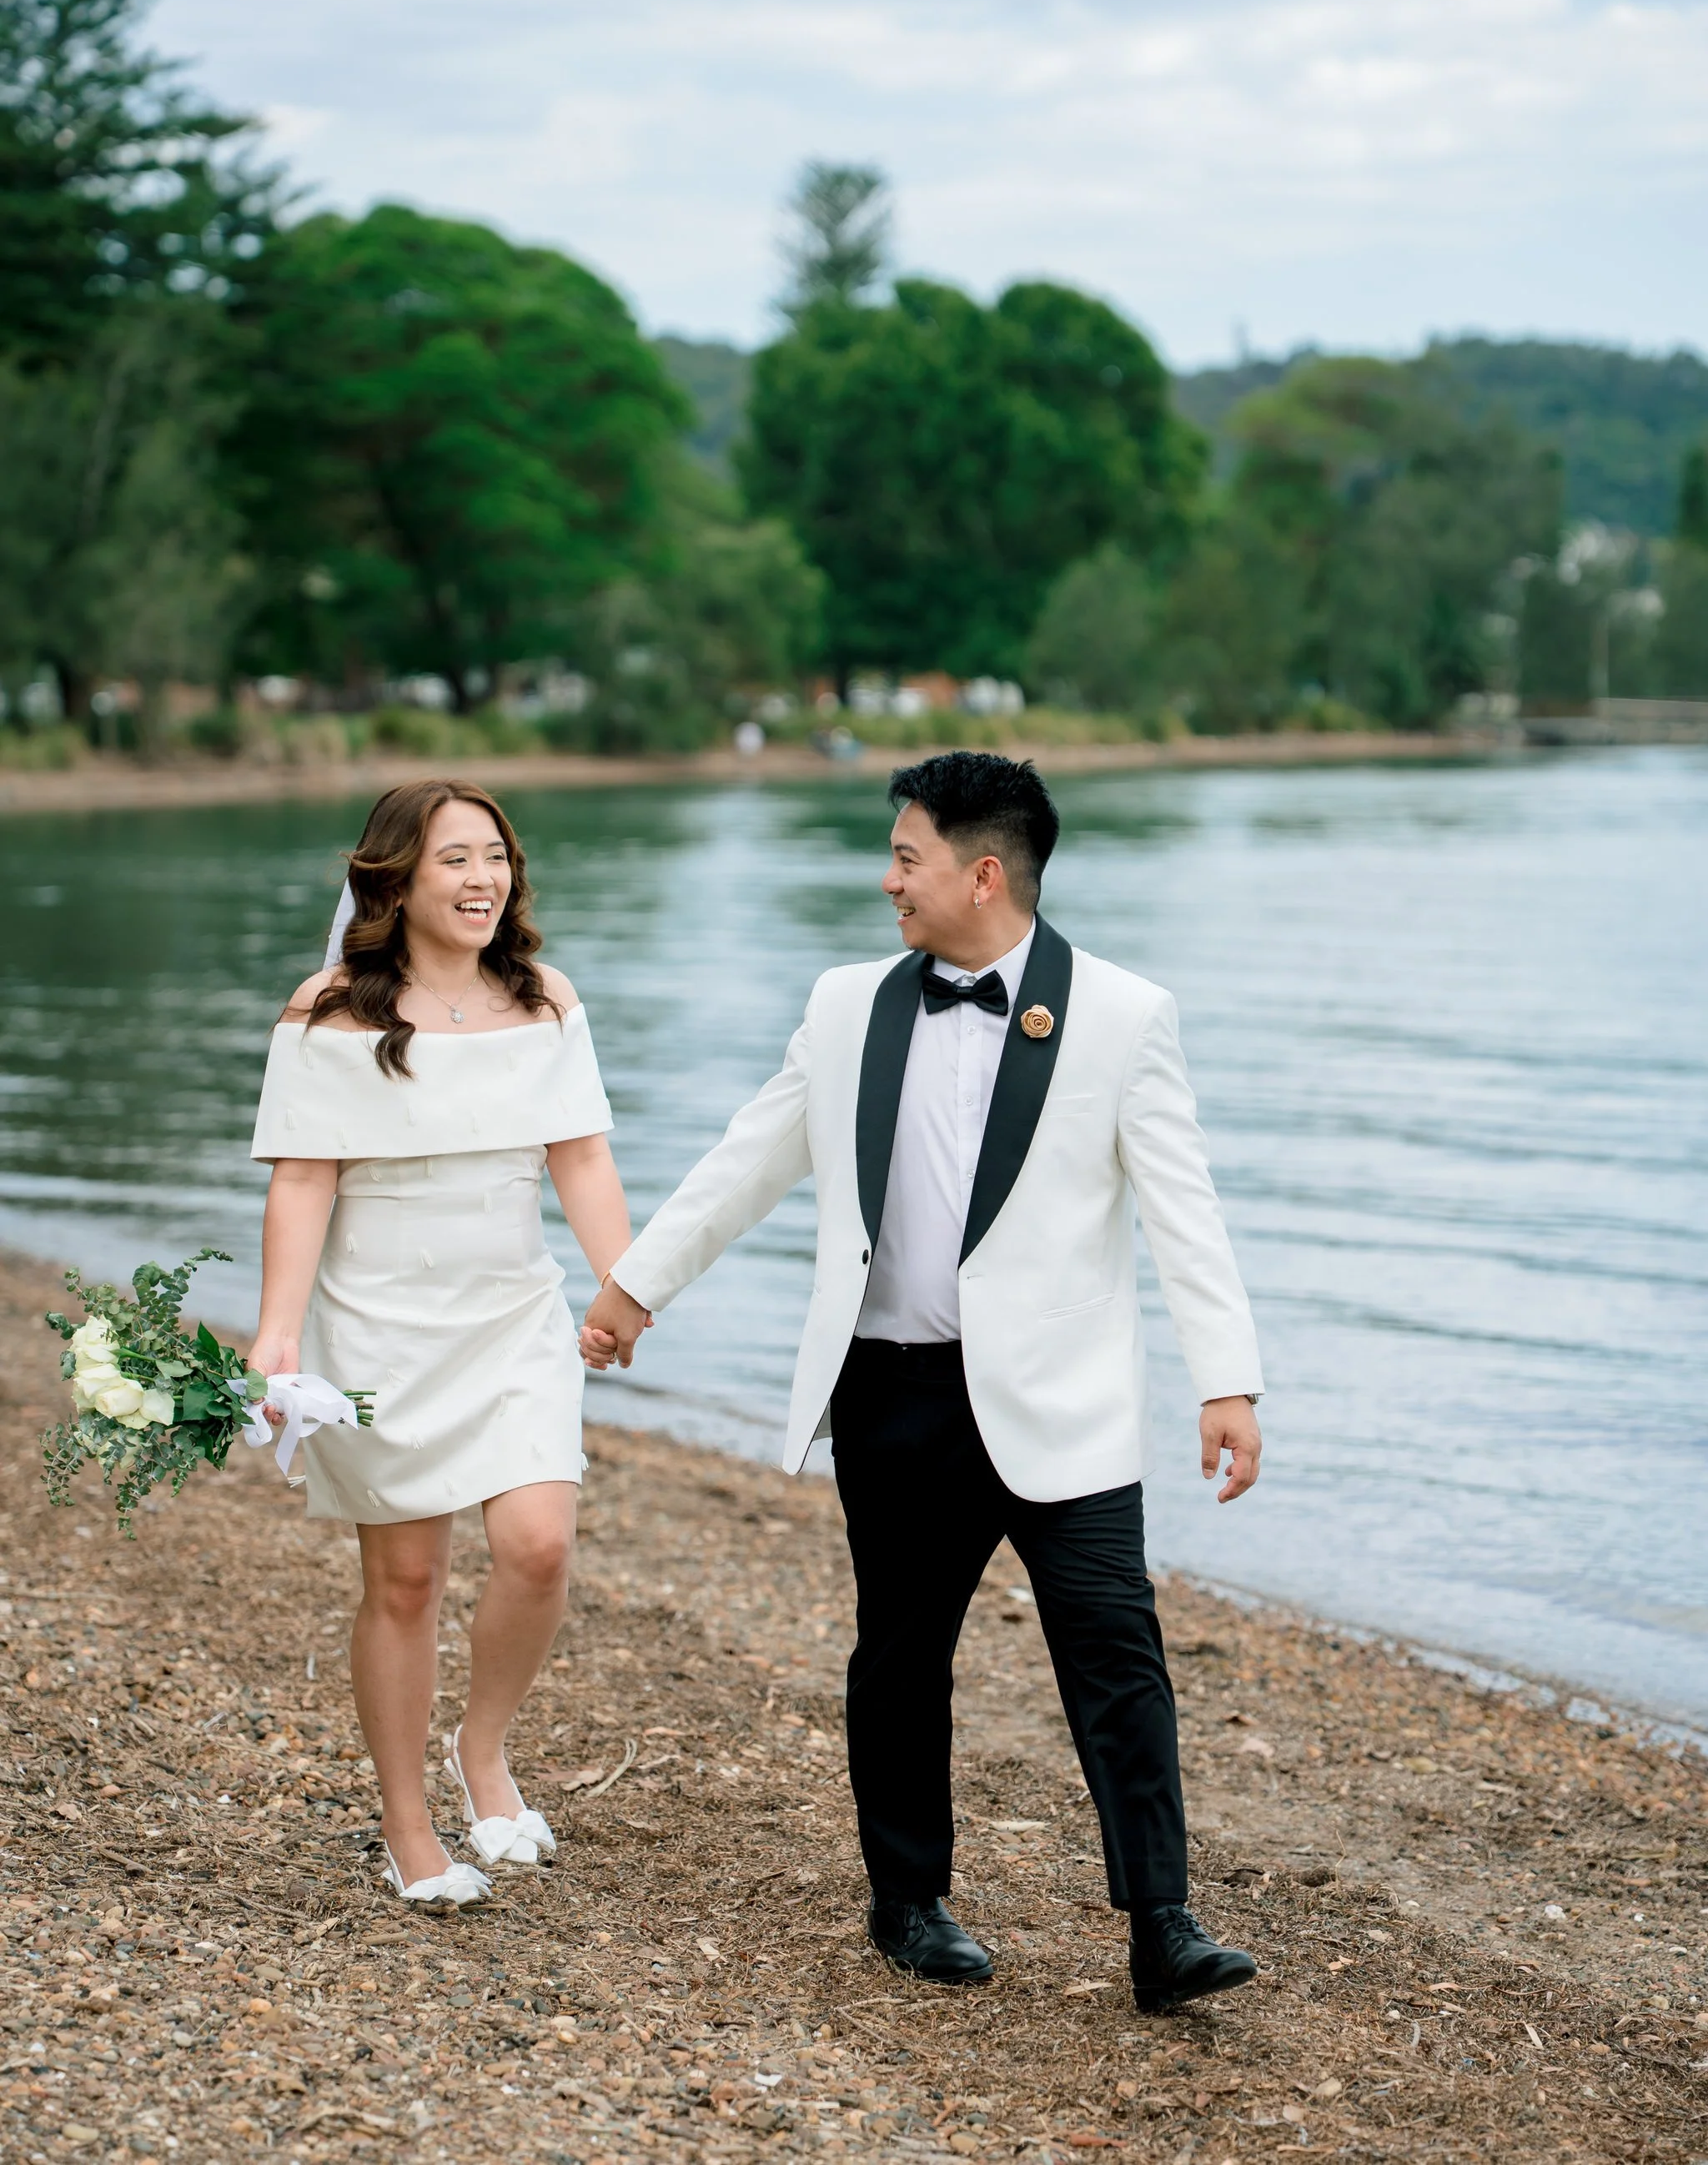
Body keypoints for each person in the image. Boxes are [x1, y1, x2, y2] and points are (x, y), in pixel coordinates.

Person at [580, 751, 1265, 2010]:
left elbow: (1186, 1208)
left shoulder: (1122, 1014)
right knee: (899, 1656)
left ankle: (1163, 1925)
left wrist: (1230, 1380)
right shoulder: (847, 1005)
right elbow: (752, 1155)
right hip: (892, 1393)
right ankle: (909, 1898)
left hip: (1068, 1401)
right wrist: (634, 1286)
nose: (887, 877)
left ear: (983, 872)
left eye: (908, 857)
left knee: (1116, 1652)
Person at [250, 778, 632, 1911]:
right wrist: (276, 1333)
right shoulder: (330, 1010)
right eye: (456, 858)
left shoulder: (546, 998)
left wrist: (625, 1286)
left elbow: (583, 1159)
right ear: (397, 877)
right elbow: (303, 1179)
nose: (483, 878)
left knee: (538, 1546)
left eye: (496, 856)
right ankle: (407, 1824)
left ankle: (486, 1750)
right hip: (376, 1326)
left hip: (513, 1316)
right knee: (405, 1577)